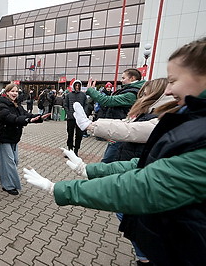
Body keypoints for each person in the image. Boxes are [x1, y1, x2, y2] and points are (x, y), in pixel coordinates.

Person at [23, 37, 206, 266]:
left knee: (127, 211)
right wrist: (87, 169)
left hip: (184, 249)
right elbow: (144, 165)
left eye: (174, 80)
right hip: (173, 239)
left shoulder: (193, 128)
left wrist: (58, 188)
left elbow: (141, 184)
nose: (168, 90)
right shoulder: (189, 120)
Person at [74, 78, 172, 265]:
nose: (139, 94)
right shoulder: (147, 110)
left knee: (131, 214)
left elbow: (131, 130)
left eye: (144, 91)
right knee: (128, 213)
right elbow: (125, 123)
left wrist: (91, 125)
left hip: (144, 178)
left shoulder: (162, 116)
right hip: (133, 167)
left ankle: (147, 256)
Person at [0, 83, 51, 195]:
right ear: (7, 92)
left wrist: (38, 117)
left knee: (15, 160)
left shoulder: (17, 104)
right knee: (10, 161)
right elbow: (8, 117)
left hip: (14, 136)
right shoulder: (2, 104)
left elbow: (25, 114)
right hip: (4, 136)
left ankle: (2, 171)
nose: (15, 93)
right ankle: (8, 185)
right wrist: (27, 121)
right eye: (12, 91)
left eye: (16, 91)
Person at [86, 69, 145, 162]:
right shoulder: (133, 91)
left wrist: (91, 90)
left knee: (107, 161)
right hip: (120, 130)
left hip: (122, 132)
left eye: (123, 78)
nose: (121, 80)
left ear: (132, 78)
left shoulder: (131, 94)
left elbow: (108, 100)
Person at [63, 79, 87, 155]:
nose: (77, 87)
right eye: (76, 85)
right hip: (71, 118)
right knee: (70, 134)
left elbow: (86, 105)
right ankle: (70, 150)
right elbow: (65, 105)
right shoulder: (69, 95)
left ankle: (76, 150)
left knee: (79, 135)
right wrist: (69, 113)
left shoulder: (83, 95)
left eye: (78, 85)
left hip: (80, 119)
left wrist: (84, 113)